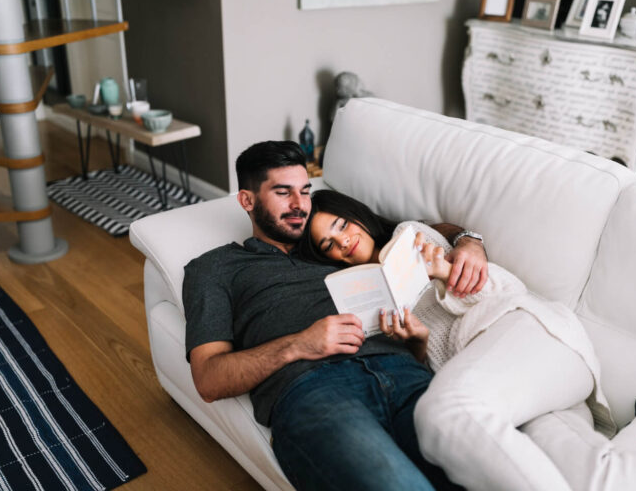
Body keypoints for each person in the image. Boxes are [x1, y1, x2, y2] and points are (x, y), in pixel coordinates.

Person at [182, 141, 487, 491]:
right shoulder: (215, 268)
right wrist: (299, 344)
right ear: (247, 201)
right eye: (283, 193)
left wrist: (469, 242)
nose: (300, 205)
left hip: (405, 375)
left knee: (483, 475)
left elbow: (423, 232)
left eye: (305, 191)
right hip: (313, 391)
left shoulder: (331, 246)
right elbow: (208, 378)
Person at [300, 189, 617, 491]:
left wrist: (444, 274)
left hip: (529, 331)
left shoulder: (409, 237)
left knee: (442, 413)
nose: (343, 241)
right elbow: (437, 368)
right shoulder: (368, 304)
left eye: (342, 225)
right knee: (568, 466)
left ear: (357, 215)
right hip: (516, 386)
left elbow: (505, 294)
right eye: (329, 244)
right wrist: (417, 344)